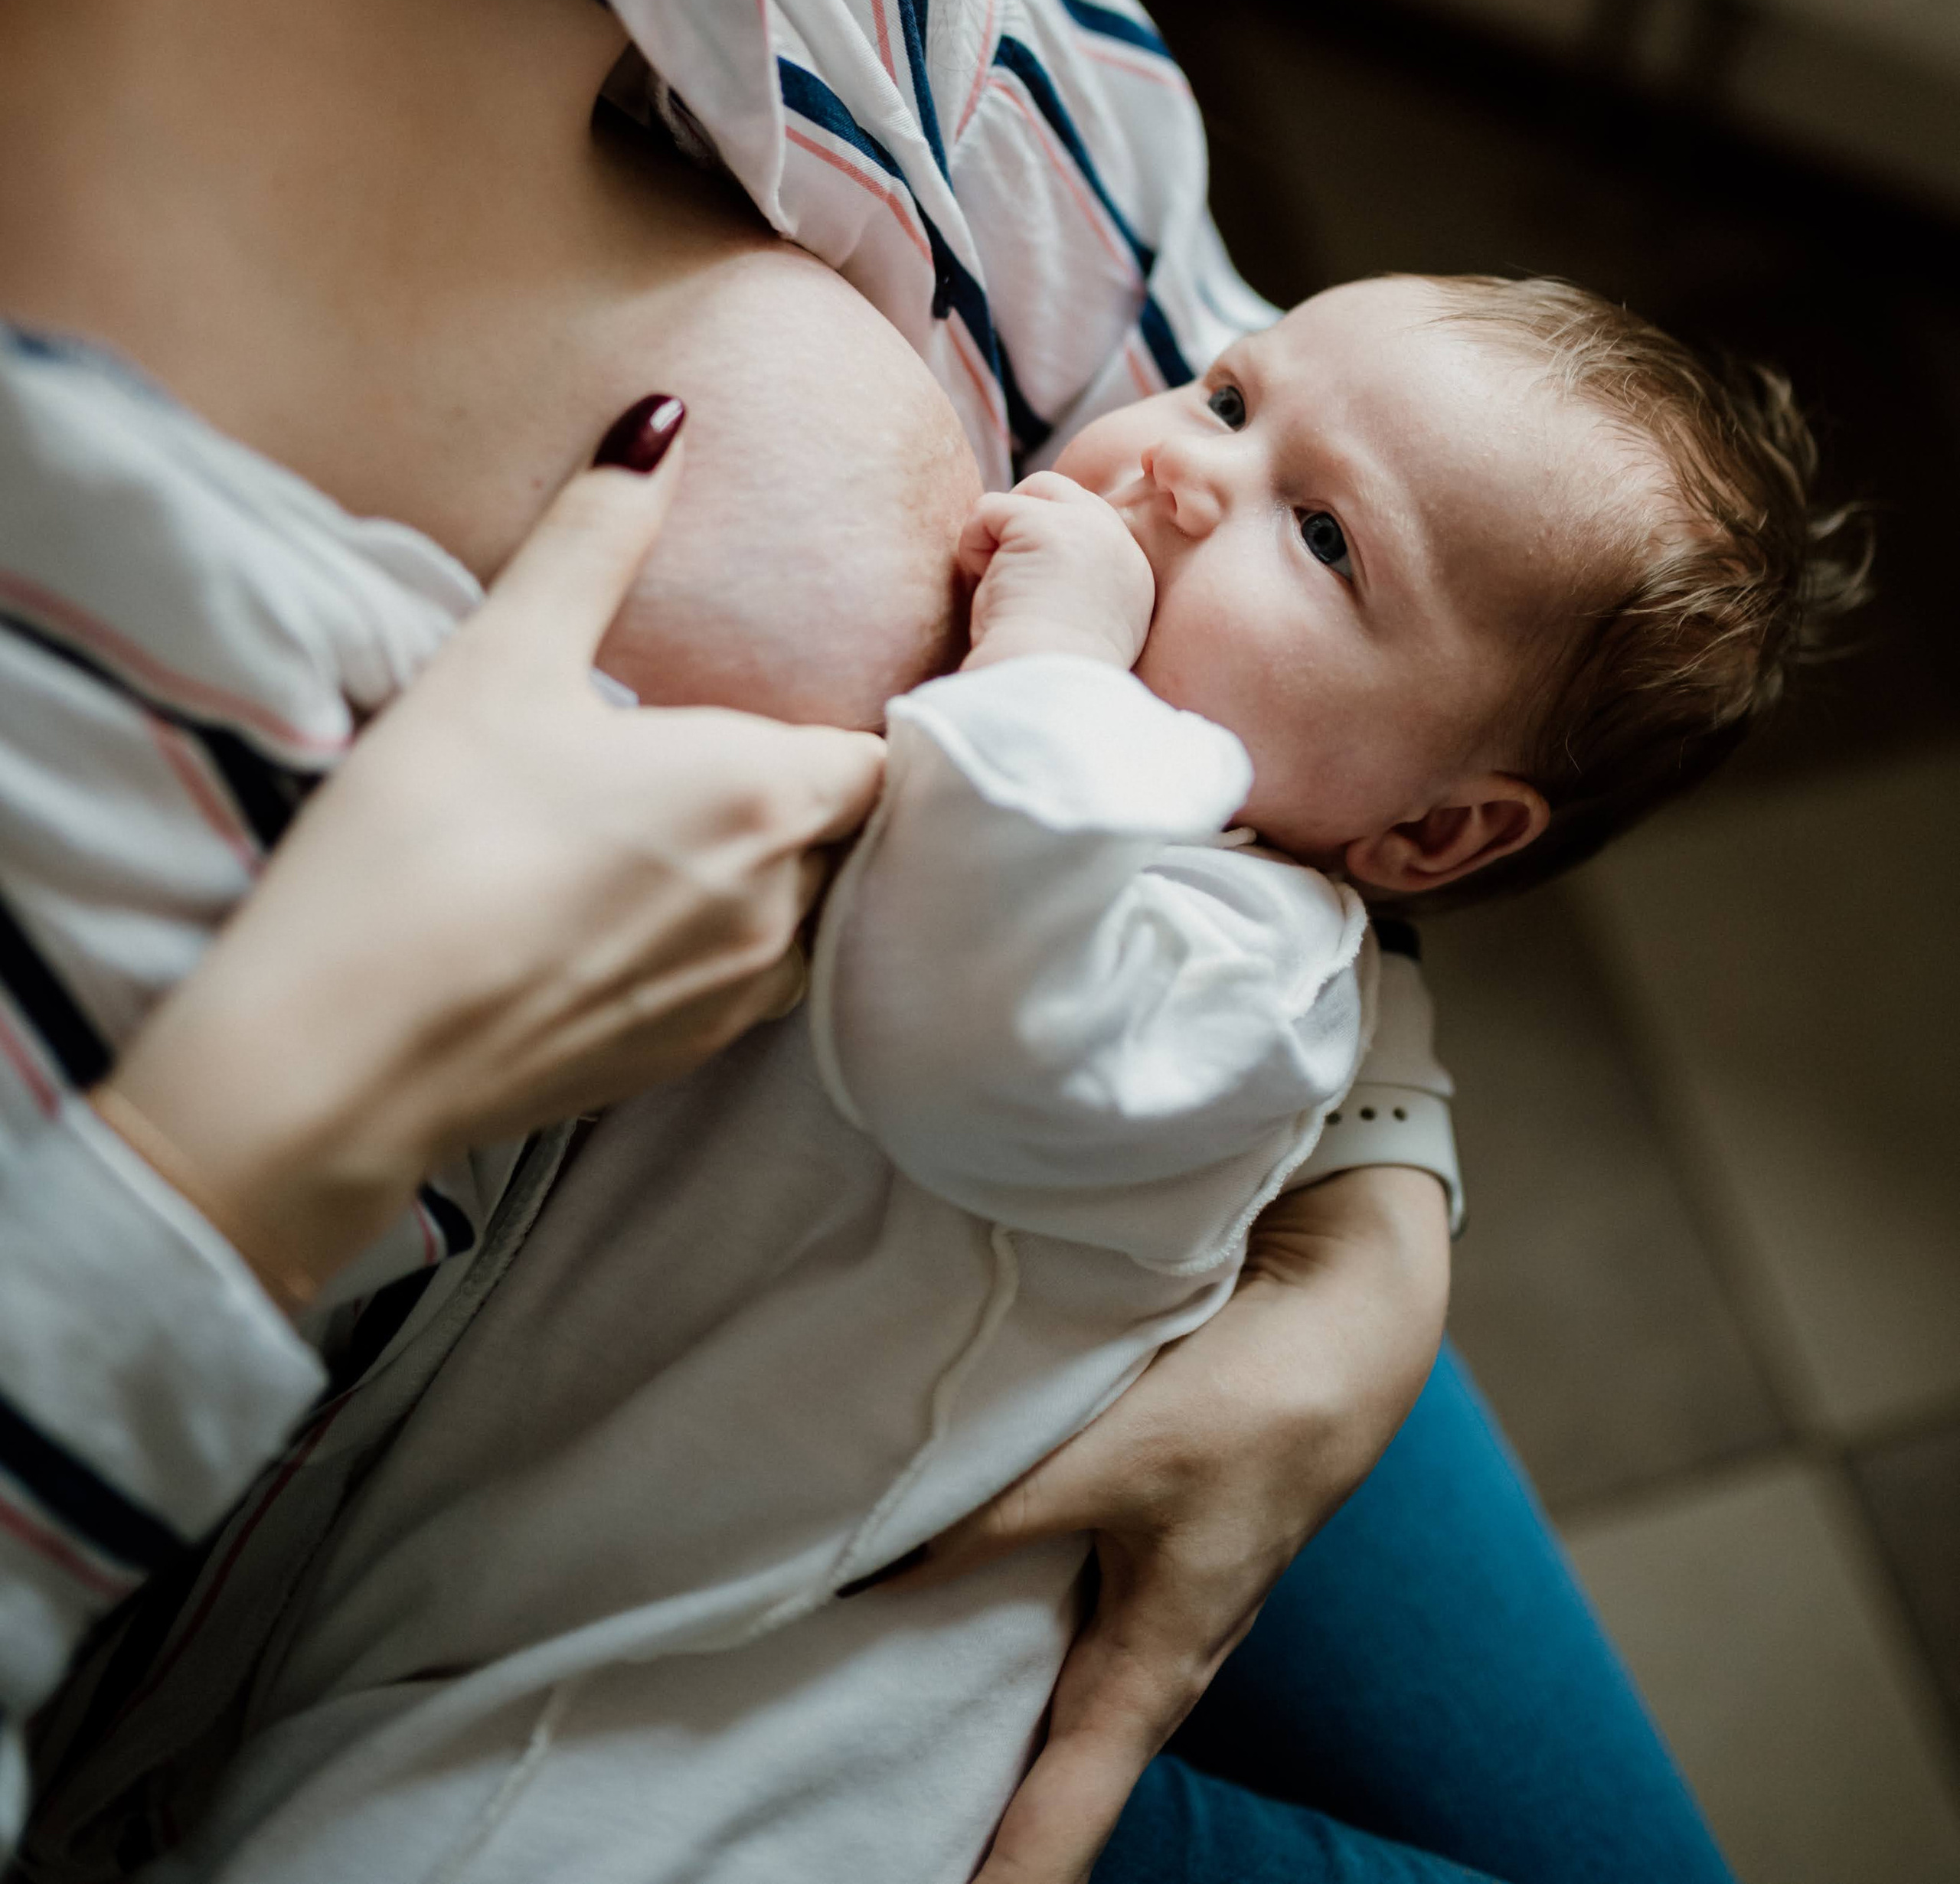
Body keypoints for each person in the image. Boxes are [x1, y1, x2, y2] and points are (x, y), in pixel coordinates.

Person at [0, 0, 1740, 1878]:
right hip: (508, 1670)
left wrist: (1369, 1222)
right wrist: (246, 1148)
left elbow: (1220, 397)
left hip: (1107, 1227)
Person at [123, 269, 1849, 1884]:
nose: (1181, 470)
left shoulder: (1243, 983)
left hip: (700, 1749)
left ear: (1432, 832)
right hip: (519, 1604)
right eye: (1229, 391)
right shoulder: (1138, 794)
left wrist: (1050, 660)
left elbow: (953, 1008)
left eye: (1319, 536)